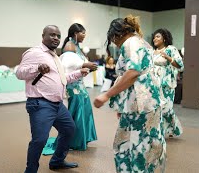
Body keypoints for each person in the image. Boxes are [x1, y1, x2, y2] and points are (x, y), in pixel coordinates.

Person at [94, 15, 166, 173]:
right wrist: (122, 105)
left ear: (117, 34)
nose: (115, 44)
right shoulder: (142, 42)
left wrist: (107, 95)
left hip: (139, 102)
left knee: (130, 144)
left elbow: (133, 72)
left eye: (113, 40)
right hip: (150, 100)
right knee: (149, 140)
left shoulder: (129, 43)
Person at [16, 25, 89, 172]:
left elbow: (62, 79)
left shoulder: (54, 56)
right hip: (40, 103)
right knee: (40, 140)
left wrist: (79, 73)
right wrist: (36, 68)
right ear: (43, 36)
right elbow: (19, 73)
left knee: (69, 129)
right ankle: (30, 170)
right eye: (52, 35)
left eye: (58, 36)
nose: (56, 38)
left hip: (57, 104)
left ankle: (57, 161)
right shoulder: (34, 52)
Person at [43, 23, 97, 154]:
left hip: (80, 84)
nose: (84, 35)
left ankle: (81, 138)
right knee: (76, 112)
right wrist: (85, 64)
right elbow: (66, 64)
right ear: (75, 33)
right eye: (82, 33)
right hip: (73, 86)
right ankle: (72, 141)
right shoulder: (70, 45)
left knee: (84, 110)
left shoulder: (76, 46)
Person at [151, 28, 184, 138]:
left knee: (167, 109)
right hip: (154, 83)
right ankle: (159, 131)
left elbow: (180, 65)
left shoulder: (170, 49)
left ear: (164, 38)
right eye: (154, 37)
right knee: (157, 109)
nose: (155, 38)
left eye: (158, 36)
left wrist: (168, 57)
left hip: (166, 84)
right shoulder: (152, 51)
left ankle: (174, 128)